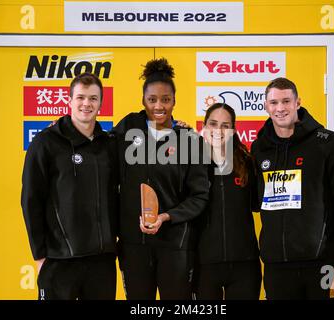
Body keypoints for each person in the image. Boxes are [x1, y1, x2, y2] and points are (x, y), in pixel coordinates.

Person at [250, 77, 334, 300]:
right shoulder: (259, 148)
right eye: (273, 103)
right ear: (265, 106)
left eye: (286, 101)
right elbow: (254, 199)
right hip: (276, 267)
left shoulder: (329, 143)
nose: (280, 108)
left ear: (297, 103)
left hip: (323, 263)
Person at [112, 58, 209, 300]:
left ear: (174, 101)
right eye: (152, 99)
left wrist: (167, 217)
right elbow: (95, 146)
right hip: (134, 245)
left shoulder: (188, 139)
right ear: (143, 100)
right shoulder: (126, 130)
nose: (159, 106)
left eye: (166, 99)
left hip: (175, 245)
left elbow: (199, 196)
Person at [21, 72, 119, 300]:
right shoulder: (45, 143)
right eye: (81, 97)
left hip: (101, 261)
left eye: (93, 98)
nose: (87, 104)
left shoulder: (108, 145)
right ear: (70, 100)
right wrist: (39, 256)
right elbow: (31, 199)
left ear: (101, 104)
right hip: (59, 260)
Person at [194, 103, 262, 300]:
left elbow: (257, 204)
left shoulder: (248, 162)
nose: (218, 130)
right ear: (205, 127)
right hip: (204, 264)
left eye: (225, 125)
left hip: (244, 264)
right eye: (213, 124)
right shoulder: (193, 164)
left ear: (233, 130)